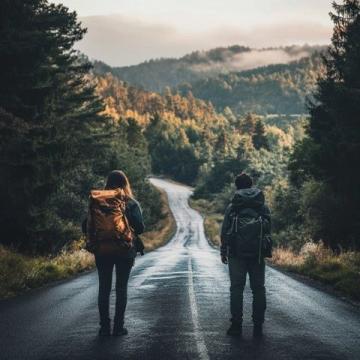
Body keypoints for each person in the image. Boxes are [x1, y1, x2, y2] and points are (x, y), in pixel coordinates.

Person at [85, 170, 145, 336]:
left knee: (104, 288)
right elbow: (140, 228)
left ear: (107, 182)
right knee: (121, 288)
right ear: (125, 183)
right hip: (124, 250)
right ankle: (119, 327)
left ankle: (104, 328)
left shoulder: (97, 201)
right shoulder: (130, 202)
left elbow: (86, 225)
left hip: (102, 250)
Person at [220, 173, 271, 338]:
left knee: (236, 289)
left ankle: (236, 325)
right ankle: (258, 324)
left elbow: (225, 231)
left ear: (237, 187)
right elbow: (269, 230)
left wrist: (223, 250)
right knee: (258, 289)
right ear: (251, 185)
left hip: (236, 253)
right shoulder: (262, 206)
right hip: (257, 254)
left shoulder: (233, 207)